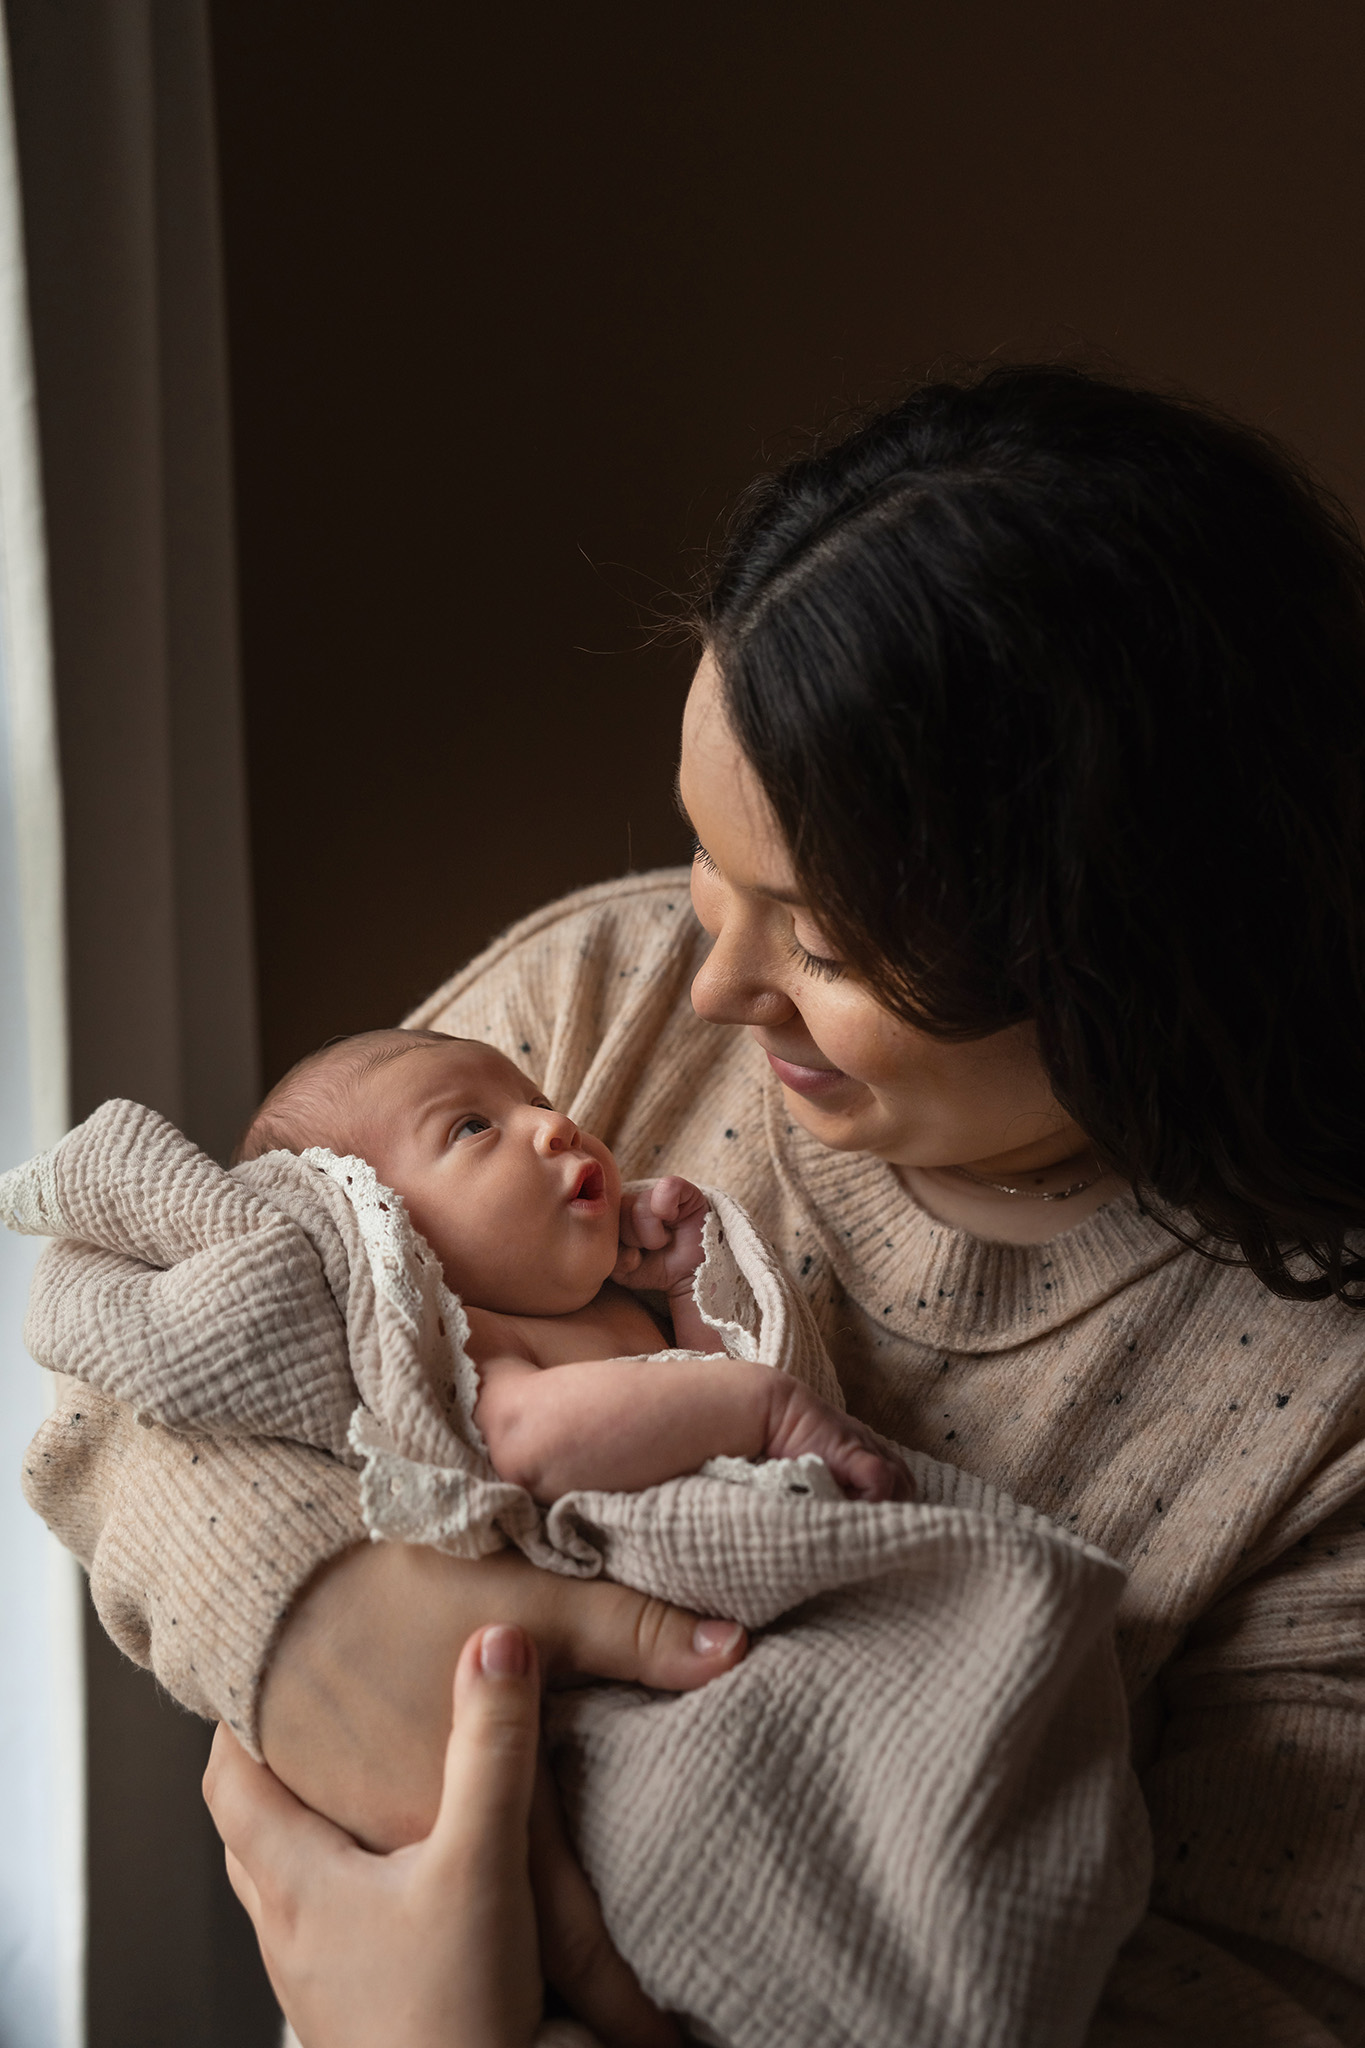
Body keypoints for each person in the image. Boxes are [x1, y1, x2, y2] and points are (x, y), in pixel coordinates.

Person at [22, 363, 1365, 2043]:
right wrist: (318, 1627)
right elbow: (132, 1365)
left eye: (823, 934)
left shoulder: (1320, 1397)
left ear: (1131, 950)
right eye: (708, 858)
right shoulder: (598, 997)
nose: (714, 976)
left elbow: (1260, 1995)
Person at [230, 1026, 905, 1503]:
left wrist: (687, 1280)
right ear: (383, 1224)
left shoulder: (609, 1303)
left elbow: (714, 1406)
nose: (554, 1126)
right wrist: (768, 1412)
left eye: (538, 1102)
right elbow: (526, 1439)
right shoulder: (469, 1338)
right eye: (472, 1127)